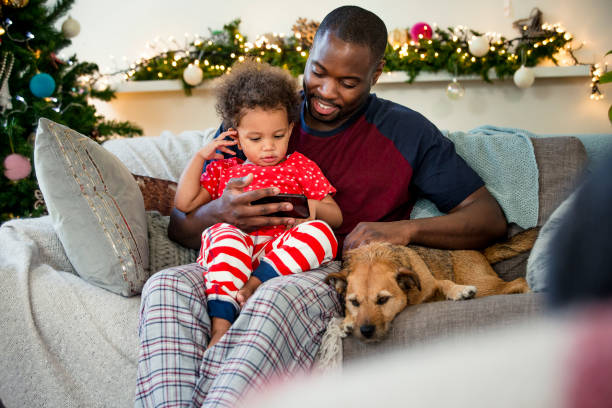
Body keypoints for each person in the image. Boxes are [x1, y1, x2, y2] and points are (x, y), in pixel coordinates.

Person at [135, 5, 507, 407]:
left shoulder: (407, 132)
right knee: (164, 286)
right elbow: (181, 227)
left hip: (317, 264)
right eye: (318, 72)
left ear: (376, 74)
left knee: (274, 298)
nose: (327, 92)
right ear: (308, 57)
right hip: (235, 253)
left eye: (348, 82)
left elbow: (488, 219)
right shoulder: (261, 113)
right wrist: (222, 211)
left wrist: (403, 230)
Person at [173, 60, 342, 348]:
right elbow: (184, 203)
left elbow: (335, 216)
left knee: (323, 234)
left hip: (280, 255)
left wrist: (306, 211)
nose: (268, 147)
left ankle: (256, 283)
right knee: (222, 234)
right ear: (235, 134)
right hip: (238, 247)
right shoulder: (225, 169)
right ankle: (221, 325)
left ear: (290, 130)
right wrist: (200, 157)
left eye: (278, 136)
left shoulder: (299, 165)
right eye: (255, 138)